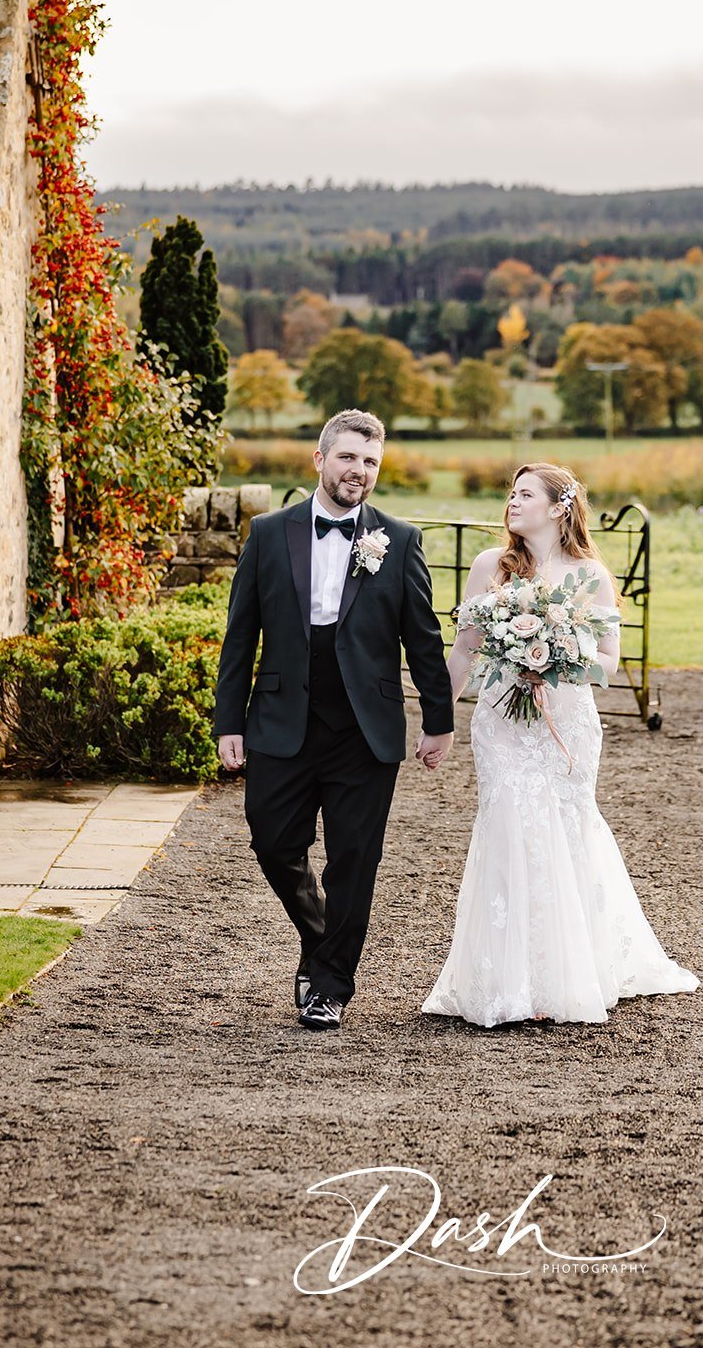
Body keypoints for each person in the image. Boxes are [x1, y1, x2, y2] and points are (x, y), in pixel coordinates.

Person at [421, 463, 700, 1027]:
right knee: (507, 825)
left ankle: (568, 972)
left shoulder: (590, 573)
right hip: (501, 722)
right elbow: (463, 651)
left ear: (557, 507)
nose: (512, 501)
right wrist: (438, 719)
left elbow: (607, 664)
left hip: (565, 724)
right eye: (511, 492)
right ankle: (505, 979)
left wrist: (554, 664)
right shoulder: (488, 567)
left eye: (526, 494)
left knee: (564, 826)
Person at [213, 408, 454, 1033]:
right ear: (320, 460)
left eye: (371, 461)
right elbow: (240, 636)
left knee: (354, 858)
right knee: (272, 840)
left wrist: (438, 719)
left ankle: (329, 983)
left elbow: (422, 639)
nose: (360, 471)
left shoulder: (398, 541)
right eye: (348, 457)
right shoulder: (268, 534)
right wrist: (227, 720)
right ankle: (320, 938)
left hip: (363, 727)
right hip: (280, 717)